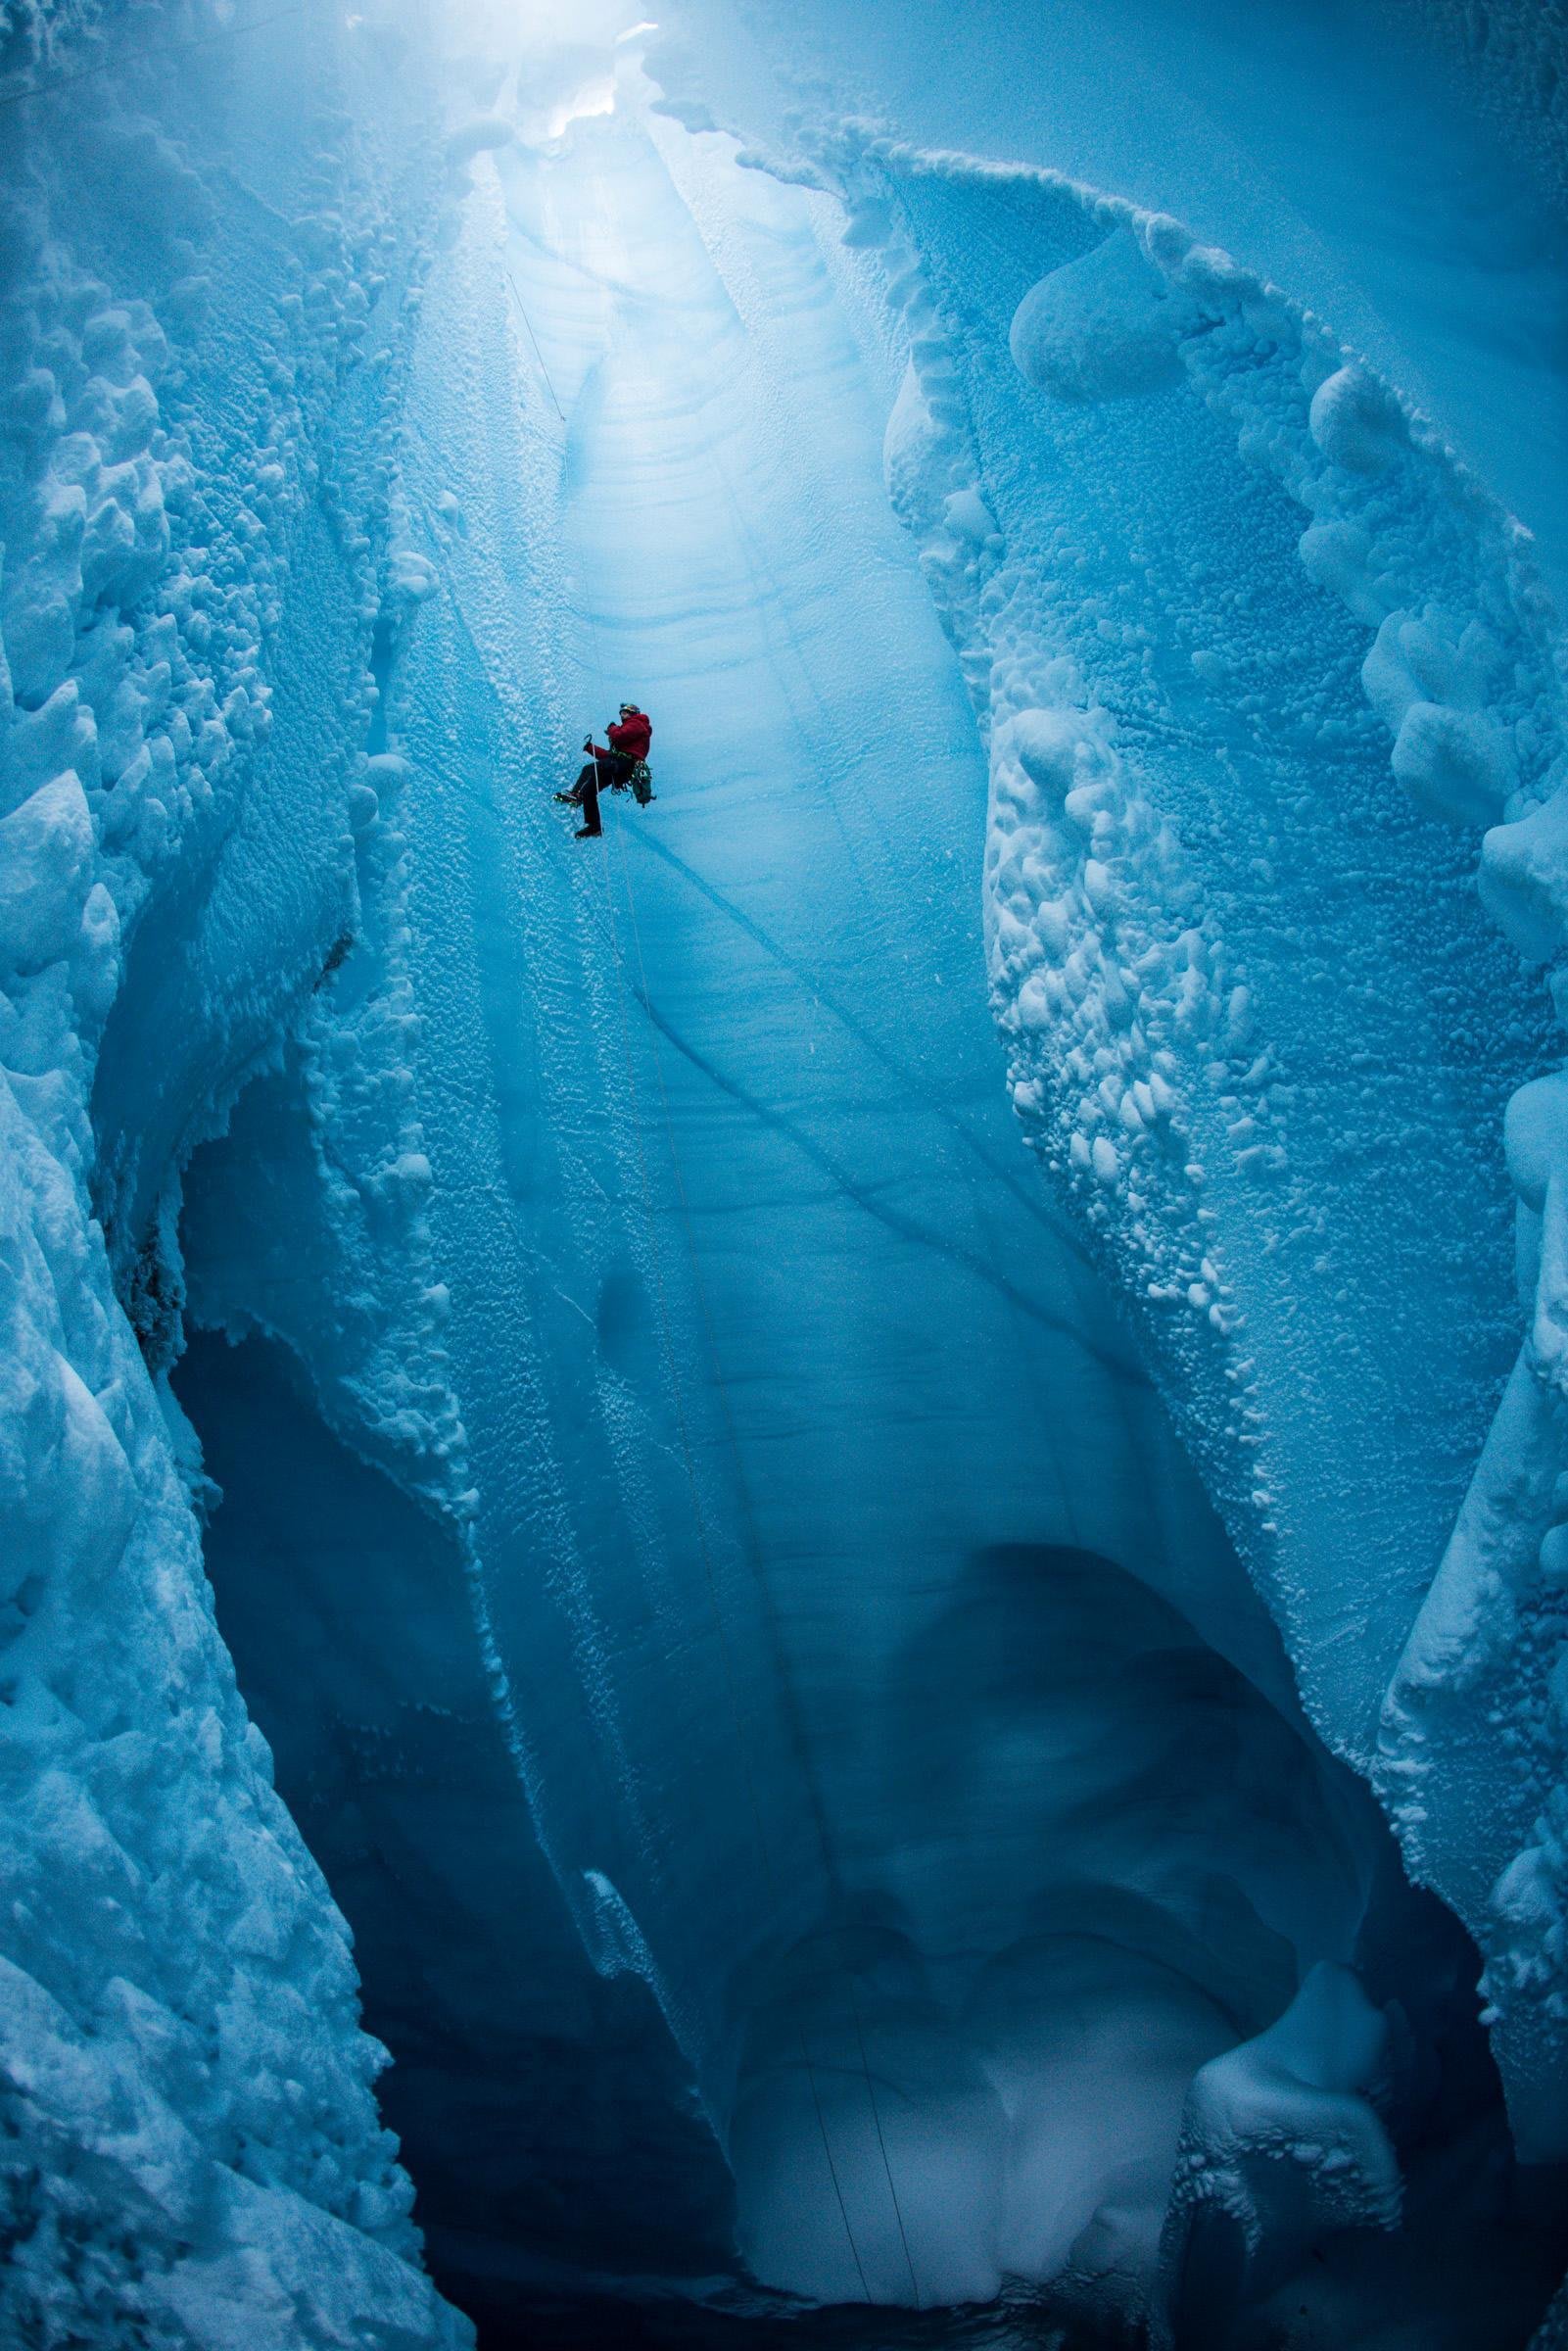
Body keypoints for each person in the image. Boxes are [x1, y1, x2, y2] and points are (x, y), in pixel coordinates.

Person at [555, 702, 654, 838]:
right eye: (621, 713)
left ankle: (576, 795)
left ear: (633, 713)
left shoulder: (637, 723)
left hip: (624, 764)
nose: (622, 715)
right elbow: (610, 756)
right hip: (620, 766)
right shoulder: (630, 733)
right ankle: (594, 826)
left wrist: (612, 728)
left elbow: (618, 736)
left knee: (590, 769)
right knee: (590, 790)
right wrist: (590, 748)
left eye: (625, 712)